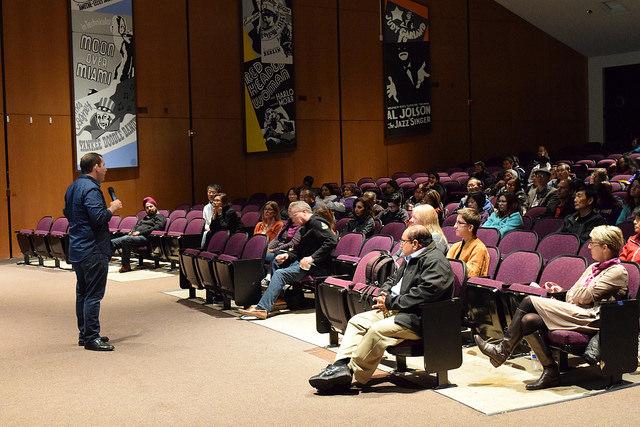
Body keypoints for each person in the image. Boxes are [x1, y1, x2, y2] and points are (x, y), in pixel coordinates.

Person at [474, 225, 628, 390]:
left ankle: (502, 350)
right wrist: (577, 294)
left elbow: (581, 296)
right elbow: (571, 295)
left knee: (528, 300)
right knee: (529, 320)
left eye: (593, 243)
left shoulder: (617, 271)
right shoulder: (593, 268)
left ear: (605, 247)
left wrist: (579, 295)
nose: (589, 246)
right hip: (578, 311)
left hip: (593, 319)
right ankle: (550, 371)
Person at [308, 225, 454, 392]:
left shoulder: (435, 261)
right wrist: (384, 293)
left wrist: (391, 302)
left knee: (377, 330)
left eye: (403, 241)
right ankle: (340, 365)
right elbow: (392, 279)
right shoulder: (411, 257)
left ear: (415, 243)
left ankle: (351, 373)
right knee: (357, 321)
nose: (400, 244)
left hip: (419, 317)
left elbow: (426, 293)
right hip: (397, 309)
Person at [64, 152, 122, 351]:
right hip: (93, 249)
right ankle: (91, 337)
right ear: (96, 166)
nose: (106, 169)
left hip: (77, 247)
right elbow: (98, 217)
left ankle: (84, 333)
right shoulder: (91, 189)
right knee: (93, 295)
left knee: (82, 292)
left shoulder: (72, 187)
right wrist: (112, 208)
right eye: (104, 165)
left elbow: (67, 213)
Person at [239, 201, 337, 319]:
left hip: (316, 266)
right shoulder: (305, 226)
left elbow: (331, 241)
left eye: (294, 216)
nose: (292, 220)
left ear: (304, 212)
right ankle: (272, 301)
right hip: (303, 262)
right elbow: (299, 250)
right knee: (276, 261)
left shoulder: (316, 223)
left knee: (281, 274)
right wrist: (288, 255)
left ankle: (262, 308)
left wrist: (312, 258)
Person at [110, 196, 166, 272]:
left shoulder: (160, 217)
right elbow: (136, 226)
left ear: (155, 206)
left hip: (147, 238)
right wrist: (132, 231)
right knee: (113, 242)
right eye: (147, 207)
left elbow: (157, 228)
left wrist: (140, 232)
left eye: (151, 206)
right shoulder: (145, 218)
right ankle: (104, 262)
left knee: (127, 239)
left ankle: (126, 266)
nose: (149, 208)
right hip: (136, 237)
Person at [446, 208, 490, 277]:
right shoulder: (455, 246)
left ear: (470, 228)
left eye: (459, 223)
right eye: (456, 222)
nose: (455, 226)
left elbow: (471, 274)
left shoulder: (479, 248)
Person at [201, 183, 222, 248]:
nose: (210, 194)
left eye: (213, 192)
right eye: (209, 192)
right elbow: (205, 223)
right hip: (209, 231)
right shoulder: (206, 207)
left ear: (218, 194)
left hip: (219, 231)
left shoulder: (222, 206)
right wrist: (209, 228)